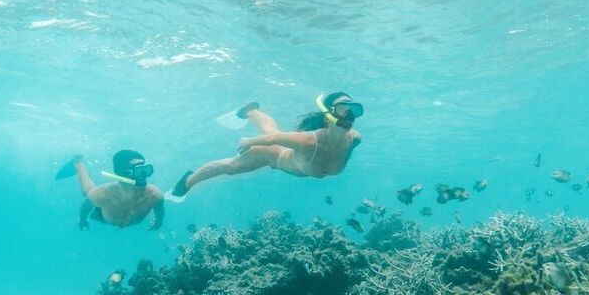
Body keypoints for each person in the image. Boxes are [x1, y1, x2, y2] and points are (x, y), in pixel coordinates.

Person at [170, 91, 364, 198]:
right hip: (272, 154)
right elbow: (272, 140)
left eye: (353, 110)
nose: (349, 115)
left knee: (275, 132)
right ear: (328, 115)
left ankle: (250, 110)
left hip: (291, 150)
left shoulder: (354, 139)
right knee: (231, 167)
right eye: (342, 109)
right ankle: (186, 182)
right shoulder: (308, 141)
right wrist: (249, 142)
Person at [56, 150, 164, 230]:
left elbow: (159, 211)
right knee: (88, 192)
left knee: (92, 194)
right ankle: (77, 163)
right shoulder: (100, 195)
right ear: (121, 173)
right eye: (138, 171)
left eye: (146, 169)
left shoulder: (155, 195)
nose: (144, 175)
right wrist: (82, 221)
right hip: (101, 217)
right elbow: (85, 208)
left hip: (113, 216)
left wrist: (158, 223)